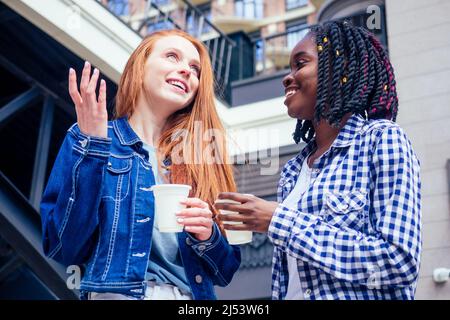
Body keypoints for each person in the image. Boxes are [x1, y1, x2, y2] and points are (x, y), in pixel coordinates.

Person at [215, 21, 421, 300]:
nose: (287, 78)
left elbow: (398, 262)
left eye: (300, 64)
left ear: (341, 71)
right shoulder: (292, 171)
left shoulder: (381, 139)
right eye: (289, 68)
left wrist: (279, 220)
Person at [40, 29, 240, 300]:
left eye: (195, 69)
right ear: (140, 67)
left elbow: (226, 271)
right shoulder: (89, 138)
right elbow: (63, 247)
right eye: (172, 57)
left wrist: (208, 236)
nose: (186, 71)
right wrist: (93, 148)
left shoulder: (200, 158)